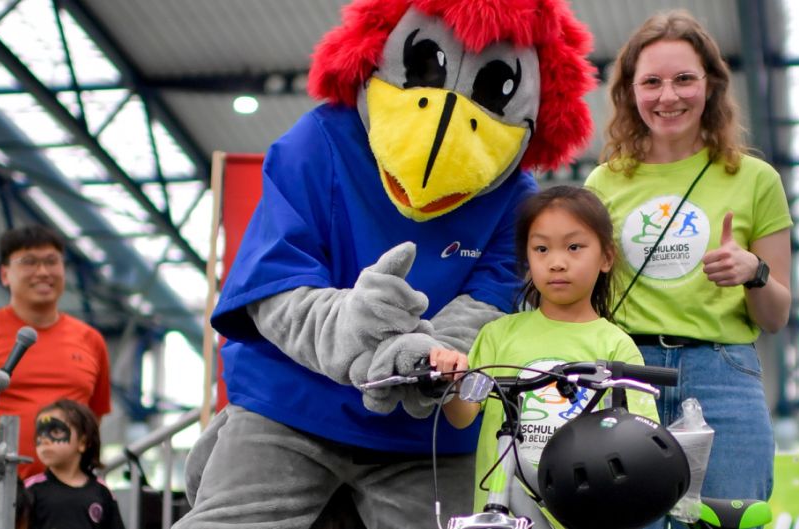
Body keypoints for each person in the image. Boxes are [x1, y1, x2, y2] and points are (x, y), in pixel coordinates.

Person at [174, 1, 597, 527]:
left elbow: (495, 300)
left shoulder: (517, 199)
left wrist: (428, 357)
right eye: (424, 68)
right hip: (291, 407)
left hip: (426, 436)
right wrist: (355, 329)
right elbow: (277, 281)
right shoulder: (319, 141)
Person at [584, 10, 792, 528]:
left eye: (684, 79)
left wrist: (755, 272)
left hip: (723, 374)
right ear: (630, 92)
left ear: (712, 86)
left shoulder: (755, 178)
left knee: (726, 518)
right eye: (650, 82)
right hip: (626, 371)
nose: (667, 96)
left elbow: (776, 316)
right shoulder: (603, 183)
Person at [433, 186, 660, 525]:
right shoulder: (498, 334)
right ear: (527, 259)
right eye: (541, 249)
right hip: (500, 512)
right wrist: (451, 380)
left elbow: (637, 440)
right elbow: (462, 415)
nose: (556, 262)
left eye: (574, 247)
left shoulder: (616, 346)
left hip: (584, 514)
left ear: (606, 258)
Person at [0, 225, 112, 480]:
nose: (43, 272)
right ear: (4, 274)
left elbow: (93, 417)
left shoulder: (91, 340)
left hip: (67, 494)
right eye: (29, 262)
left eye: (51, 262)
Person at [24, 399, 124, 529]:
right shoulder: (30, 490)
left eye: (55, 432)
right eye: (40, 434)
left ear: (83, 443)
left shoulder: (102, 492)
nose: (44, 440)